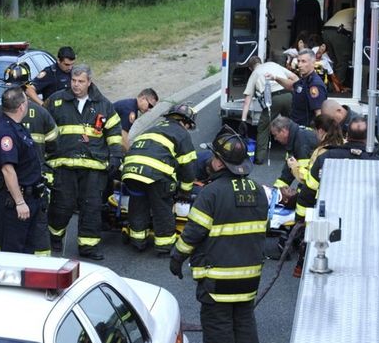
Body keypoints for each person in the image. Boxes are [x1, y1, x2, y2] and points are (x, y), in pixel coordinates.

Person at [169, 126, 267, 343]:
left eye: (213, 156)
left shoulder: (211, 193)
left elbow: (192, 235)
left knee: (218, 331)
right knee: (244, 324)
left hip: (217, 283)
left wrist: (176, 258)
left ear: (220, 162)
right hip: (249, 280)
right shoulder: (258, 191)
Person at [0, 62, 57, 255]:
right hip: (16, 194)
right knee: (22, 240)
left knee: (13, 238)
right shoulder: (40, 113)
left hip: (25, 191)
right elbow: (54, 145)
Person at [45, 64, 121, 260]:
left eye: (80, 82)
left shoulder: (104, 105)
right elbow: (44, 129)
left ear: (89, 82)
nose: (76, 85)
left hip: (94, 167)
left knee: (92, 208)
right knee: (62, 205)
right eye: (73, 81)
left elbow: (113, 133)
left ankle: (88, 247)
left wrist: (115, 156)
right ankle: (54, 237)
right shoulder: (56, 101)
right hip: (64, 165)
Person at [293, 116, 379, 276]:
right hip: (363, 225)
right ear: (368, 137)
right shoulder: (376, 162)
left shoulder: (325, 157)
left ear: (347, 135)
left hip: (329, 221)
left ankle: (302, 267)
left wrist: (299, 220)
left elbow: (308, 193)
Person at [121, 103, 197, 254]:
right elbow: (188, 167)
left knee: (138, 204)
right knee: (162, 208)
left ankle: (138, 241)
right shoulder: (182, 133)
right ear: (186, 122)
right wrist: (185, 191)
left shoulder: (154, 128)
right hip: (156, 174)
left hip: (130, 170)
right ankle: (164, 245)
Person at [0, 86, 48, 253]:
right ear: (22, 106)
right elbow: (8, 170)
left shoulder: (16, 127)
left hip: (30, 197)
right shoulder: (5, 133)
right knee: (15, 251)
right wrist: (20, 202)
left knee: (27, 250)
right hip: (14, 202)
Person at [239, 56, 296, 164]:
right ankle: (294, 153)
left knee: (263, 127)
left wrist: (243, 119)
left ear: (250, 68)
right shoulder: (274, 65)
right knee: (292, 124)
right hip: (288, 95)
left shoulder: (254, 73)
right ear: (261, 62)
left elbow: (247, 100)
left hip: (272, 99)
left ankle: (259, 158)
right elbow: (293, 76)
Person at [270, 49, 327, 127]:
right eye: (298, 61)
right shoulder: (304, 79)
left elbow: (319, 113)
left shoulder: (315, 84)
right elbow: (291, 86)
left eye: (303, 61)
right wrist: (275, 78)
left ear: (313, 63)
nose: (299, 65)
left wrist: (318, 134)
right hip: (296, 127)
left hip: (306, 130)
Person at [269, 116, 318, 191]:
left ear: (283, 131)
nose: (275, 139)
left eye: (275, 135)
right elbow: (288, 171)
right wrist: (275, 190)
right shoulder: (295, 138)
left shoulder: (302, 143)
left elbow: (305, 178)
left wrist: (298, 195)